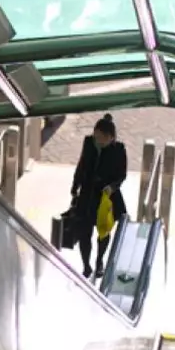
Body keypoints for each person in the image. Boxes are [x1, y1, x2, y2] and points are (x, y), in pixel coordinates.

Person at [69, 113, 128, 278]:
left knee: (103, 232)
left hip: (105, 198)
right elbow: (82, 165)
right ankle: (86, 265)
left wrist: (112, 187)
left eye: (102, 138)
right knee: (83, 232)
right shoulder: (88, 143)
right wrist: (75, 186)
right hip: (87, 195)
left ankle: (99, 261)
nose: (99, 141)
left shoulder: (119, 149)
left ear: (111, 138)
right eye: (97, 136)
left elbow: (122, 175)